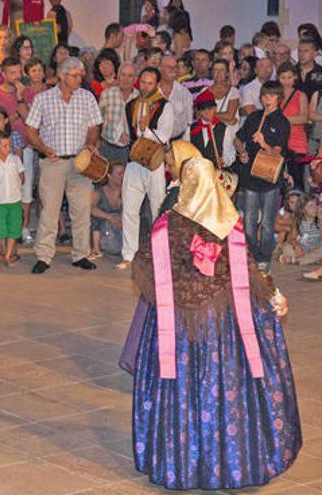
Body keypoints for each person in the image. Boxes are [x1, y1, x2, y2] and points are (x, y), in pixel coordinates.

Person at [122, 155, 300, 490]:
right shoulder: (228, 224)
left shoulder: (166, 225)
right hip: (222, 326)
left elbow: (141, 265)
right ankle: (230, 462)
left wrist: (171, 291)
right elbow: (250, 273)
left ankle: (180, 462)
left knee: (180, 388)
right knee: (225, 389)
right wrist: (272, 295)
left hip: (176, 326)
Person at [25, 57, 103, 274]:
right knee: (49, 210)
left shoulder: (87, 97)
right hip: (53, 162)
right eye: (75, 75)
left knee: (81, 209)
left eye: (81, 75)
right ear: (61, 75)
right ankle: (44, 255)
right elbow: (30, 130)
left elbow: (94, 126)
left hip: (80, 162)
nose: (79, 79)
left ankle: (80, 254)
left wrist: (90, 144)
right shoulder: (43, 99)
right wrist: (43, 148)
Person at [117, 67, 174, 271]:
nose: (145, 86)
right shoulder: (131, 105)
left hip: (154, 163)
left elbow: (165, 135)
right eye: (142, 82)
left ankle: (161, 256)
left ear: (157, 84)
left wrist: (146, 130)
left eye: (150, 83)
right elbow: (125, 130)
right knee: (129, 209)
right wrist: (123, 136)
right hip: (134, 161)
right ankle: (129, 255)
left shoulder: (165, 106)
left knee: (157, 208)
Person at [234, 81, 291, 272]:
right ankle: (252, 255)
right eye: (265, 95)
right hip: (251, 175)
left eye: (272, 96)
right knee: (249, 221)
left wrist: (264, 143)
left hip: (270, 178)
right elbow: (237, 139)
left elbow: (277, 152)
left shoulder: (282, 122)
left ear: (279, 98)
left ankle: (264, 258)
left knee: (267, 221)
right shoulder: (254, 117)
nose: (268, 99)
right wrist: (241, 152)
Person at [0, 130, 24, 268]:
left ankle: (8, 256)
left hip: (15, 200)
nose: (9, 148)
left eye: (9, 145)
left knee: (13, 228)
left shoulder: (15, 159)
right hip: (0, 202)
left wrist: (18, 186)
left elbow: (21, 175)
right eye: (5, 146)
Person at [99, 63, 138, 166]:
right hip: (107, 148)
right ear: (118, 76)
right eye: (123, 75)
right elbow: (98, 121)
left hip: (131, 150)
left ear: (135, 79)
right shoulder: (106, 94)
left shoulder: (139, 98)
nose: (126, 79)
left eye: (130, 76)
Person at [278, 62, 310, 187]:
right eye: (283, 77)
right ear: (278, 78)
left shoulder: (300, 95)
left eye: (289, 77)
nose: (286, 81)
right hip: (278, 142)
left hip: (297, 143)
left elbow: (304, 118)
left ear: (295, 77)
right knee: (279, 180)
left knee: (297, 181)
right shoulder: (275, 95)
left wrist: (281, 119)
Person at [190, 89, 235, 168]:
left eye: (210, 108)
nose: (207, 112)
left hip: (216, 171)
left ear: (215, 108)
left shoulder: (224, 129)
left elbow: (230, 154)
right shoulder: (191, 129)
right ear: (199, 112)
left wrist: (224, 161)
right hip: (197, 171)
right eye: (203, 109)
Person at [90, 162, 124, 258]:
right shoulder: (99, 192)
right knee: (97, 216)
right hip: (106, 232)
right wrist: (110, 217)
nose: (123, 176)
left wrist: (121, 218)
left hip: (121, 230)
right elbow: (89, 208)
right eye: (119, 174)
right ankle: (96, 249)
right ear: (109, 176)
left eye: (124, 173)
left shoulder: (128, 191)